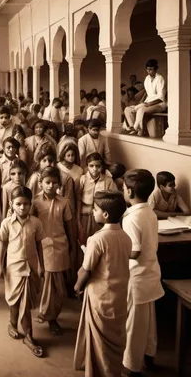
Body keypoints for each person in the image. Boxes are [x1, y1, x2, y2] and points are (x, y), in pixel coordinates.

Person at [73, 191, 132, 377]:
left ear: (105, 214)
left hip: (100, 297)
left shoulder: (97, 239)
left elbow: (86, 269)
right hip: (120, 296)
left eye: (95, 209)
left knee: (98, 341)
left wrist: (77, 287)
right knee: (115, 336)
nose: (92, 212)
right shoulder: (125, 237)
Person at [122, 169, 165, 376]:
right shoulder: (150, 212)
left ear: (129, 192)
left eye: (123, 188)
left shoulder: (130, 218)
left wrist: (118, 252)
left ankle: (131, 367)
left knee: (134, 325)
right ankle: (149, 356)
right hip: (151, 273)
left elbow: (135, 251)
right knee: (149, 322)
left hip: (137, 277)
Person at [0, 186, 45, 357]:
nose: (22, 207)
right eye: (18, 204)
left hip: (30, 268)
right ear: (11, 204)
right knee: (14, 301)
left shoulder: (36, 223)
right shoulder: (6, 223)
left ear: (30, 204)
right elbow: (2, 244)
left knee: (26, 303)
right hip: (14, 268)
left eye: (26, 204)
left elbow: (39, 245)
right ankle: (13, 324)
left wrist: (41, 265)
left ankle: (29, 335)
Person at [31, 166, 73, 335]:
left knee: (57, 285)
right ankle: (50, 316)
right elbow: (32, 225)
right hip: (42, 247)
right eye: (47, 182)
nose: (51, 186)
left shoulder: (64, 202)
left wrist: (71, 244)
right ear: (41, 183)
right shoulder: (35, 202)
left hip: (60, 245)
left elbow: (69, 226)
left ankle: (49, 313)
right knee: (48, 281)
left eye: (54, 183)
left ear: (59, 184)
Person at [76, 153, 117, 247]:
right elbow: (78, 200)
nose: (94, 169)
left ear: (102, 166)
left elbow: (113, 200)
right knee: (84, 243)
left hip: (101, 219)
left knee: (100, 244)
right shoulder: (83, 179)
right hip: (85, 217)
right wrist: (78, 220)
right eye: (91, 166)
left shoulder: (108, 181)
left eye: (98, 166)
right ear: (87, 166)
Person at [124, 59, 166, 137]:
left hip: (159, 104)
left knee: (141, 109)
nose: (149, 71)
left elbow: (161, 98)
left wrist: (148, 104)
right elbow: (147, 94)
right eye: (147, 69)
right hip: (148, 103)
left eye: (151, 69)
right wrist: (142, 103)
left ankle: (136, 129)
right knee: (128, 109)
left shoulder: (160, 79)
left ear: (156, 69)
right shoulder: (147, 78)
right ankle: (134, 128)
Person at [0, 136, 22, 219]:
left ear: (16, 149)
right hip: (3, 195)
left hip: (18, 195)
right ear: (4, 149)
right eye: (8, 147)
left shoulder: (20, 162)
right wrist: (0, 210)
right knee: (4, 220)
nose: (11, 149)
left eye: (13, 147)